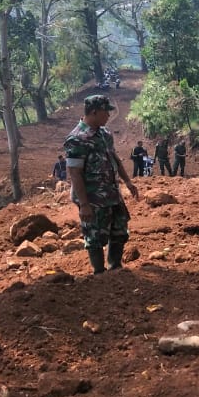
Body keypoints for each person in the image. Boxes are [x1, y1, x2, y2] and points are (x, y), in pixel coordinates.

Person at [64, 94, 139, 274]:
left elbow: (114, 157)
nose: (108, 116)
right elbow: (75, 173)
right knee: (95, 236)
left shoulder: (105, 134)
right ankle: (99, 273)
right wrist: (84, 204)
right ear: (94, 112)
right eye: (106, 112)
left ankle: (115, 267)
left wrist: (128, 181)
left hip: (112, 193)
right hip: (92, 198)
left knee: (120, 230)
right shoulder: (77, 139)